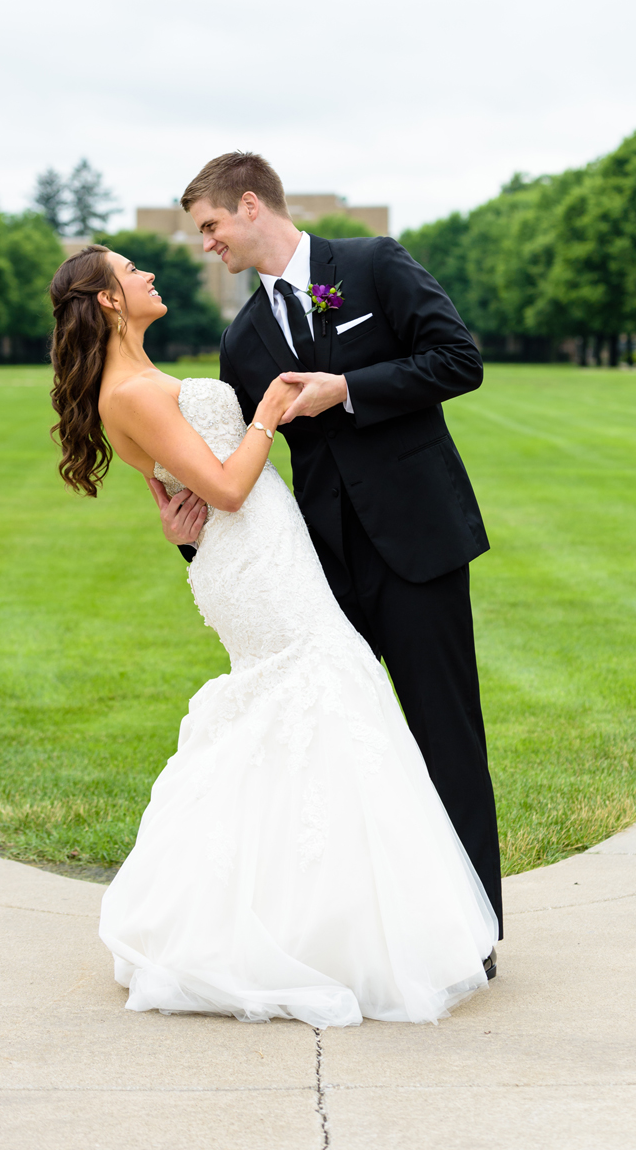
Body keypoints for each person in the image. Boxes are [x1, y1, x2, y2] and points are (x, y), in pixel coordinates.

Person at [50, 236, 496, 1028]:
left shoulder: (138, 380)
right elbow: (221, 488)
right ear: (111, 300)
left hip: (267, 554)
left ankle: (322, 921)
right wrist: (260, 418)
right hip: (257, 565)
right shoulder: (134, 389)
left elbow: (182, 495)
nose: (152, 271)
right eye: (132, 270)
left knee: (311, 715)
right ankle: (321, 932)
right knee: (319, 696)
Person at [172, 151, 503, 938]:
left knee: (445, 737)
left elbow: (459, 361)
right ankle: (358, 930)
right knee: (340, 747)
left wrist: (348, 389)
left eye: (212, 226)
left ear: (251, 205)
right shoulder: (242, 339)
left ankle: (476, 930)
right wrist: (194, 540)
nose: (207, 244)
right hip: (321, 570)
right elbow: (240, 472)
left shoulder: (371, 264)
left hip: (419, 543)